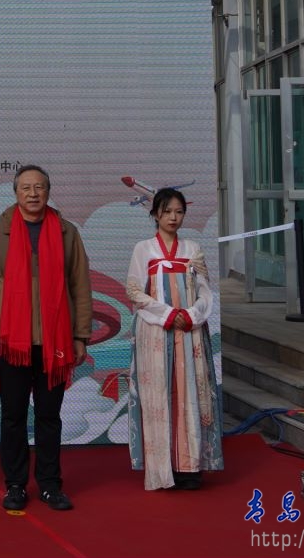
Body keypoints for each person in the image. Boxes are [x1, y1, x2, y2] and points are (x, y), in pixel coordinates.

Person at [0, 165, 93, 512]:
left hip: (56, 343)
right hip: (12, 343)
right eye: (26, 187)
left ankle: (50, 485)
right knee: (12, 416)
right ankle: (15, 484)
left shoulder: (68, 233)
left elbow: (80, 286)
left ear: (48, 191)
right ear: (15, 193)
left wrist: (80, 335)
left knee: (49, 416)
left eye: (39, 187)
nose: (33, 193)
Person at [126, 188, 223, 491]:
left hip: (190, 332)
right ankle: (161, 467)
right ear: (155, 214)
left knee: (190, 392)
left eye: (179, 212)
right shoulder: (143, 249)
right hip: (155, 331)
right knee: (158, 394)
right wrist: (168, 314)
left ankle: (189, 466)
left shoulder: (193, 248)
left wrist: (191, 315)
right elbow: (134, 291)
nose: (173, 217)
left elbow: (205, 291)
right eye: (167, 211)